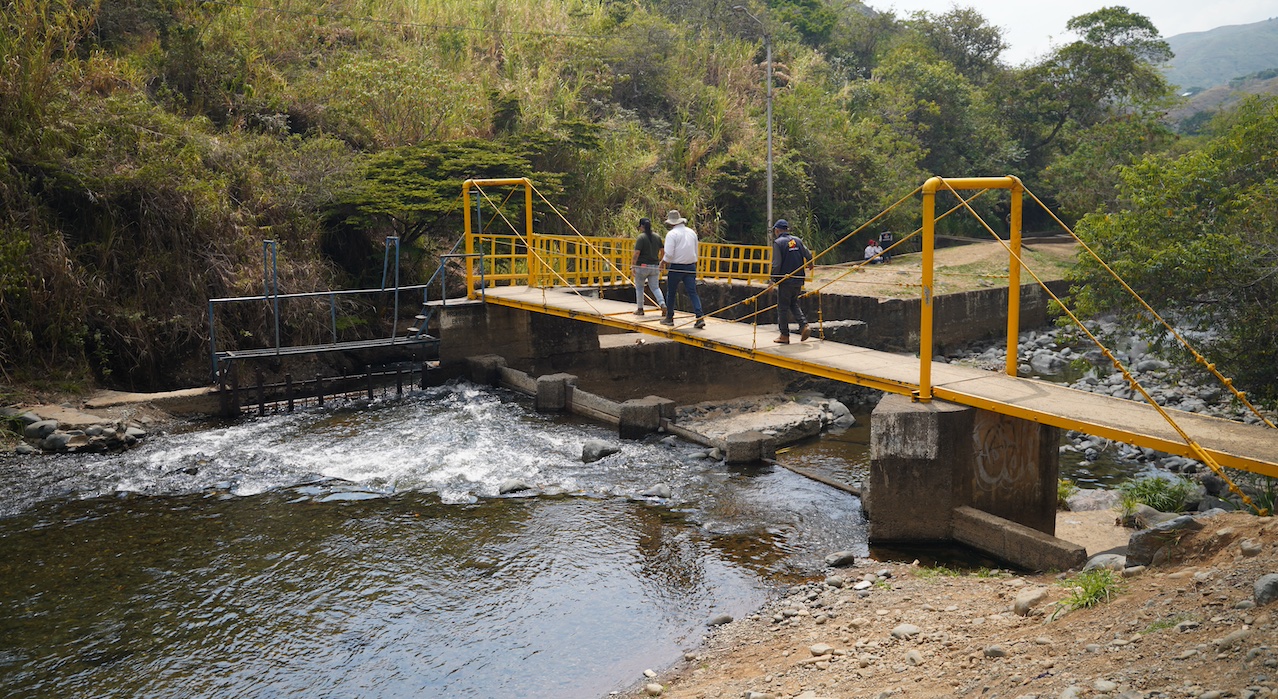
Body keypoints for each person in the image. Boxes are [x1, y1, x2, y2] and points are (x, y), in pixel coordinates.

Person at [659, 209, 705, 329]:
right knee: (692, 292)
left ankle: (669, 318)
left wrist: (662, 263)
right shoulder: (692, 233)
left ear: (671, 223)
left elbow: (668, 255)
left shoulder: (672, 234)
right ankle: (700, 317)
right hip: (690, 266)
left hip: (676, 266)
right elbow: (696, 251)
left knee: (671, 292)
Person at [770, 219, 813, 344]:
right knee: (793, 303)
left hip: (786, 280)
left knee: (782, 308)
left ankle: (784, 335)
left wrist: (772, 279)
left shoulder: (778, 243)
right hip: (798, 279)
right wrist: (810, 263)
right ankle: (804, 325)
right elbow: (808, 254)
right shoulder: (797, 241)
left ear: (777, 230)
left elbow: (776, 264)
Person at [631, 217, 665, 315]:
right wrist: (661, 262)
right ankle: (662, 304)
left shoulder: (641, 238)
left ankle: (640, 309)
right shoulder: (657, 237)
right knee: (655, 287)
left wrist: (633, 266)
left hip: (642, 267)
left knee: (640, 287)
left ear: (641, 226)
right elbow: (663, 251)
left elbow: (636, 253)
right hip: (654, 266)